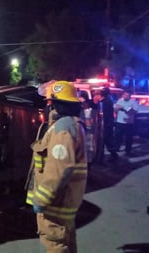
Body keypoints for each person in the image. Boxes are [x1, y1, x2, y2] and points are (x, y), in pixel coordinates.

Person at [26, 80, 87, 253]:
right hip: (64, 200)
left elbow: (58, 170)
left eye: (50, 104)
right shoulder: (72, 124)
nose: (49, 108)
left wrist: (41, 200)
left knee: (54, 243)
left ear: (58, 104)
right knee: (66, 240)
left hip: (55, 204)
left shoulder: (63, 129)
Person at [114, 90, 138, 156]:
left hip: (129, 122)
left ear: (130, 96)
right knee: (118, 136)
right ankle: (116, 147)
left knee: (129, 137)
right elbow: (115, 109)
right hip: (119, 121)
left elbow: (135, 111)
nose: (125, 96)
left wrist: (124, 108)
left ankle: (128, 150)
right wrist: (116, 108)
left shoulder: (133, 102)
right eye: (124, 95)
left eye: (127, 95)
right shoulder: (120, 101)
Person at [99, 87, 116, 162]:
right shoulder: (106, 100)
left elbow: (107, 114)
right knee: (105, 140)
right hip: (105, 123)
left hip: (106, 123)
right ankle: (112, 154)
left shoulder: (107, 101)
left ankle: (113, 155)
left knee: (106, 140)